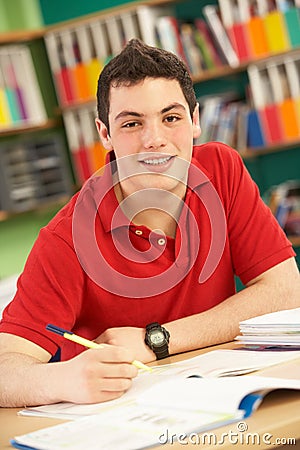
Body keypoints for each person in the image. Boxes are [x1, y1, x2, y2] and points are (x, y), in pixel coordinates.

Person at [0, 39, 299, 408]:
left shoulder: (222, 170)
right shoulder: (67, 238)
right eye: (131, 123)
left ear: (195, 121)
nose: (154, 140)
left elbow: (286, 290)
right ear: (104, 134)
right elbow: (5, 369)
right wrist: (60, 379)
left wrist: (154, 340)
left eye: (170, 118)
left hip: (226, 396)